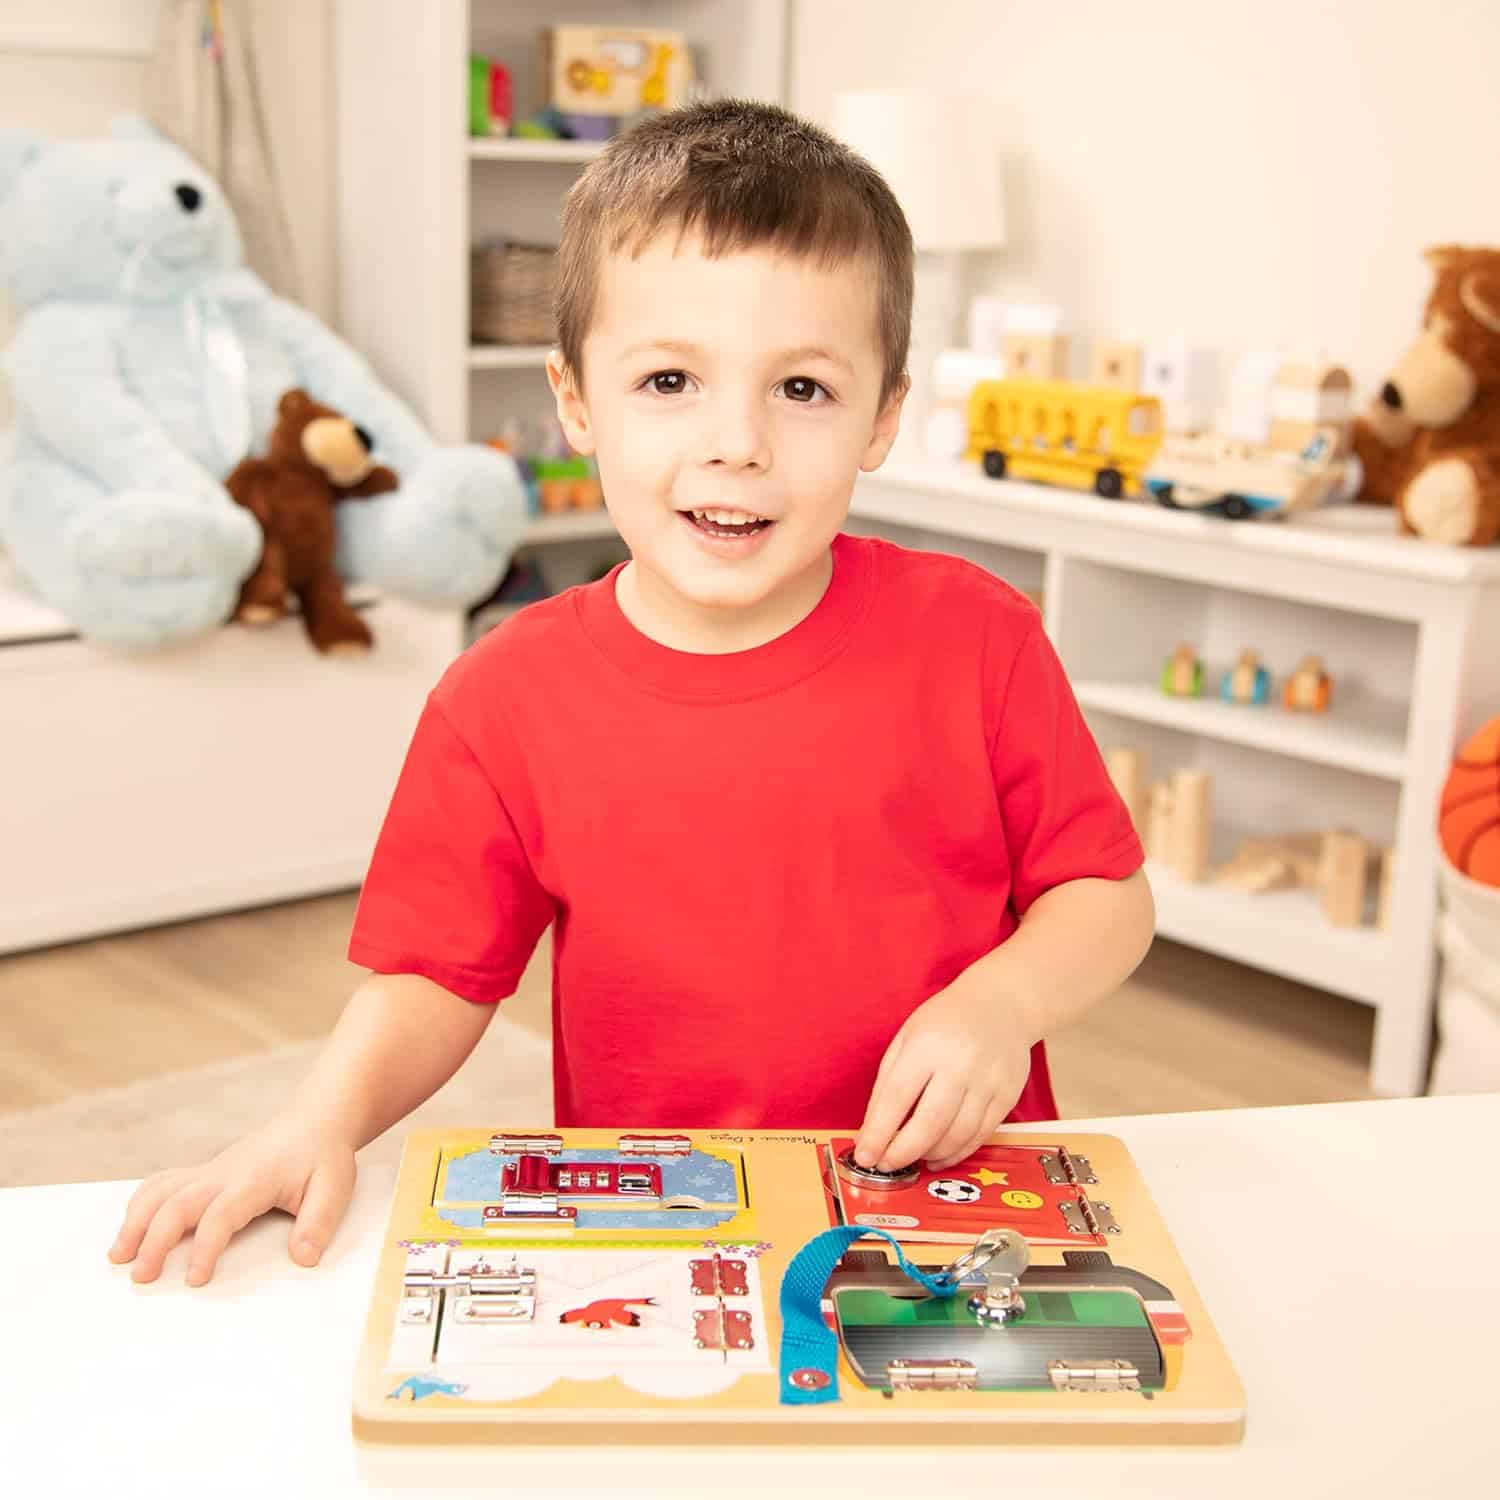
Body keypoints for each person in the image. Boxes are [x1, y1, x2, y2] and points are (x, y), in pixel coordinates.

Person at [108, 99, 1153, 1288]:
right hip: (657, 1224)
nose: (737, 442)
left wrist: (1001, 1006)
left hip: (948, 1208)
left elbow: (1105, 895)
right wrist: (317, 1123)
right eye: (669, 380)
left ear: (885, 418)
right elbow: (434, 976)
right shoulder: (502, 699)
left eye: (802, 390)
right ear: (575, 401)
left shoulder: (976, 635)